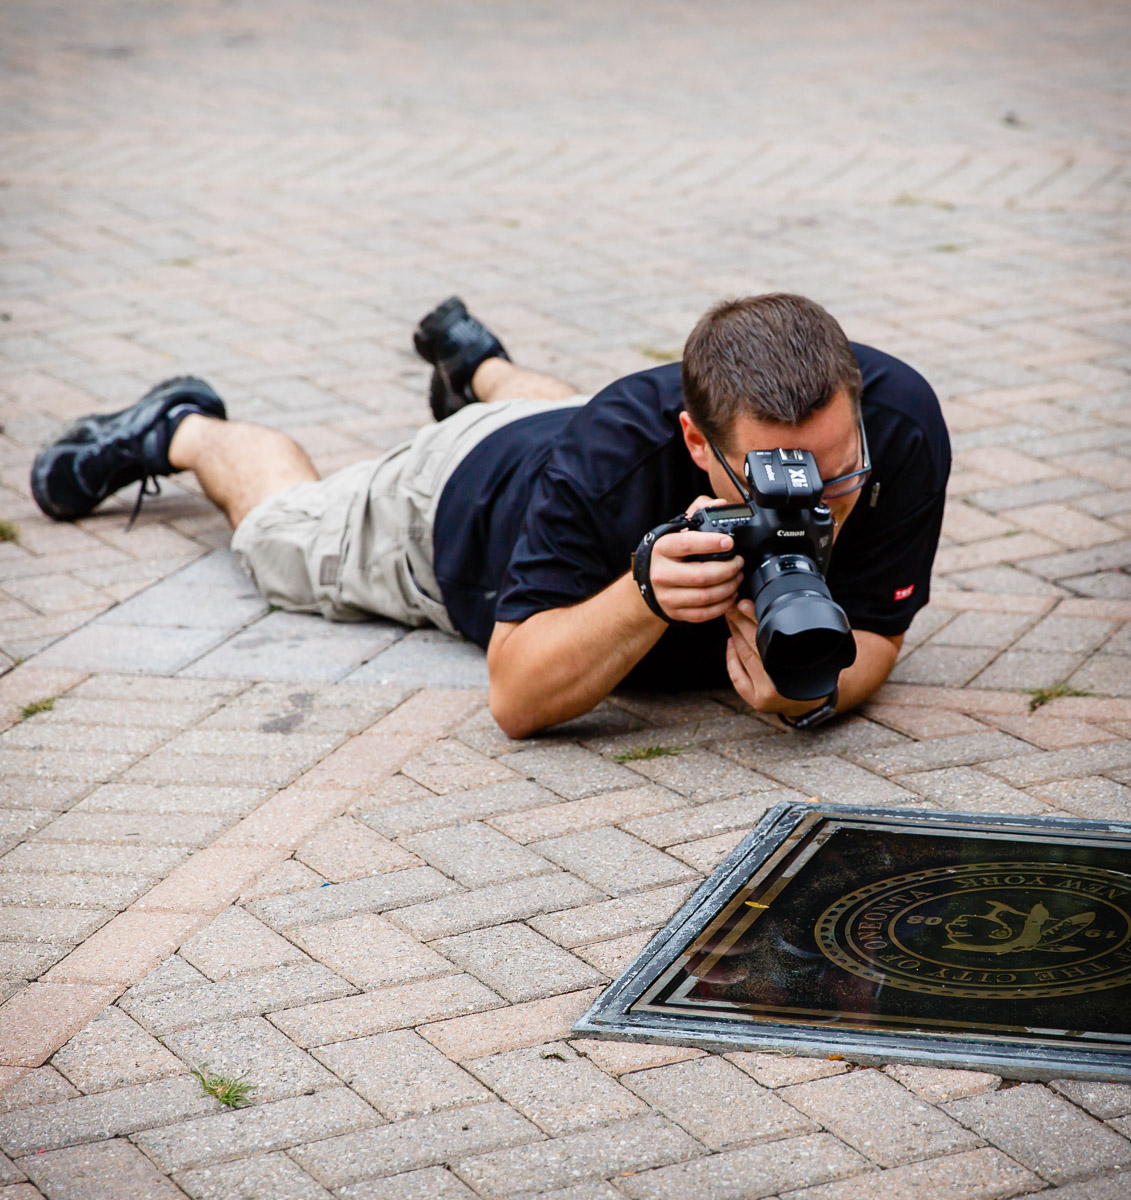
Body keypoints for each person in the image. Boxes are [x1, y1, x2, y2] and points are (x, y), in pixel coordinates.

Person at [30, 293, 950, 738]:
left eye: (835, 477)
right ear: (698, 447)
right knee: (282, 530)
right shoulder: (613, 461)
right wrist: (642, 595)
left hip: (564, 433)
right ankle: (184, 428)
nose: (813, 504)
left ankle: (479, 368)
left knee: (573, 427)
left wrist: (808, 690)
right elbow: (514, 699)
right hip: (449, 508)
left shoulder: (897, 425)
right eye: (776, 485)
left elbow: (871, 632)